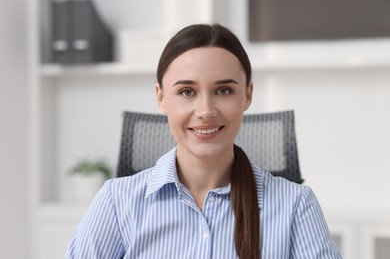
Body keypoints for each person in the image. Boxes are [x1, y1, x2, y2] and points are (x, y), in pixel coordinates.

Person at [65, 24, 342, 259]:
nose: (206, 110)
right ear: (161, 97)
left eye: (223, 90)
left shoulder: (295, 205)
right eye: (187, 91)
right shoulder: (117, 201)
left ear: (247, 95)